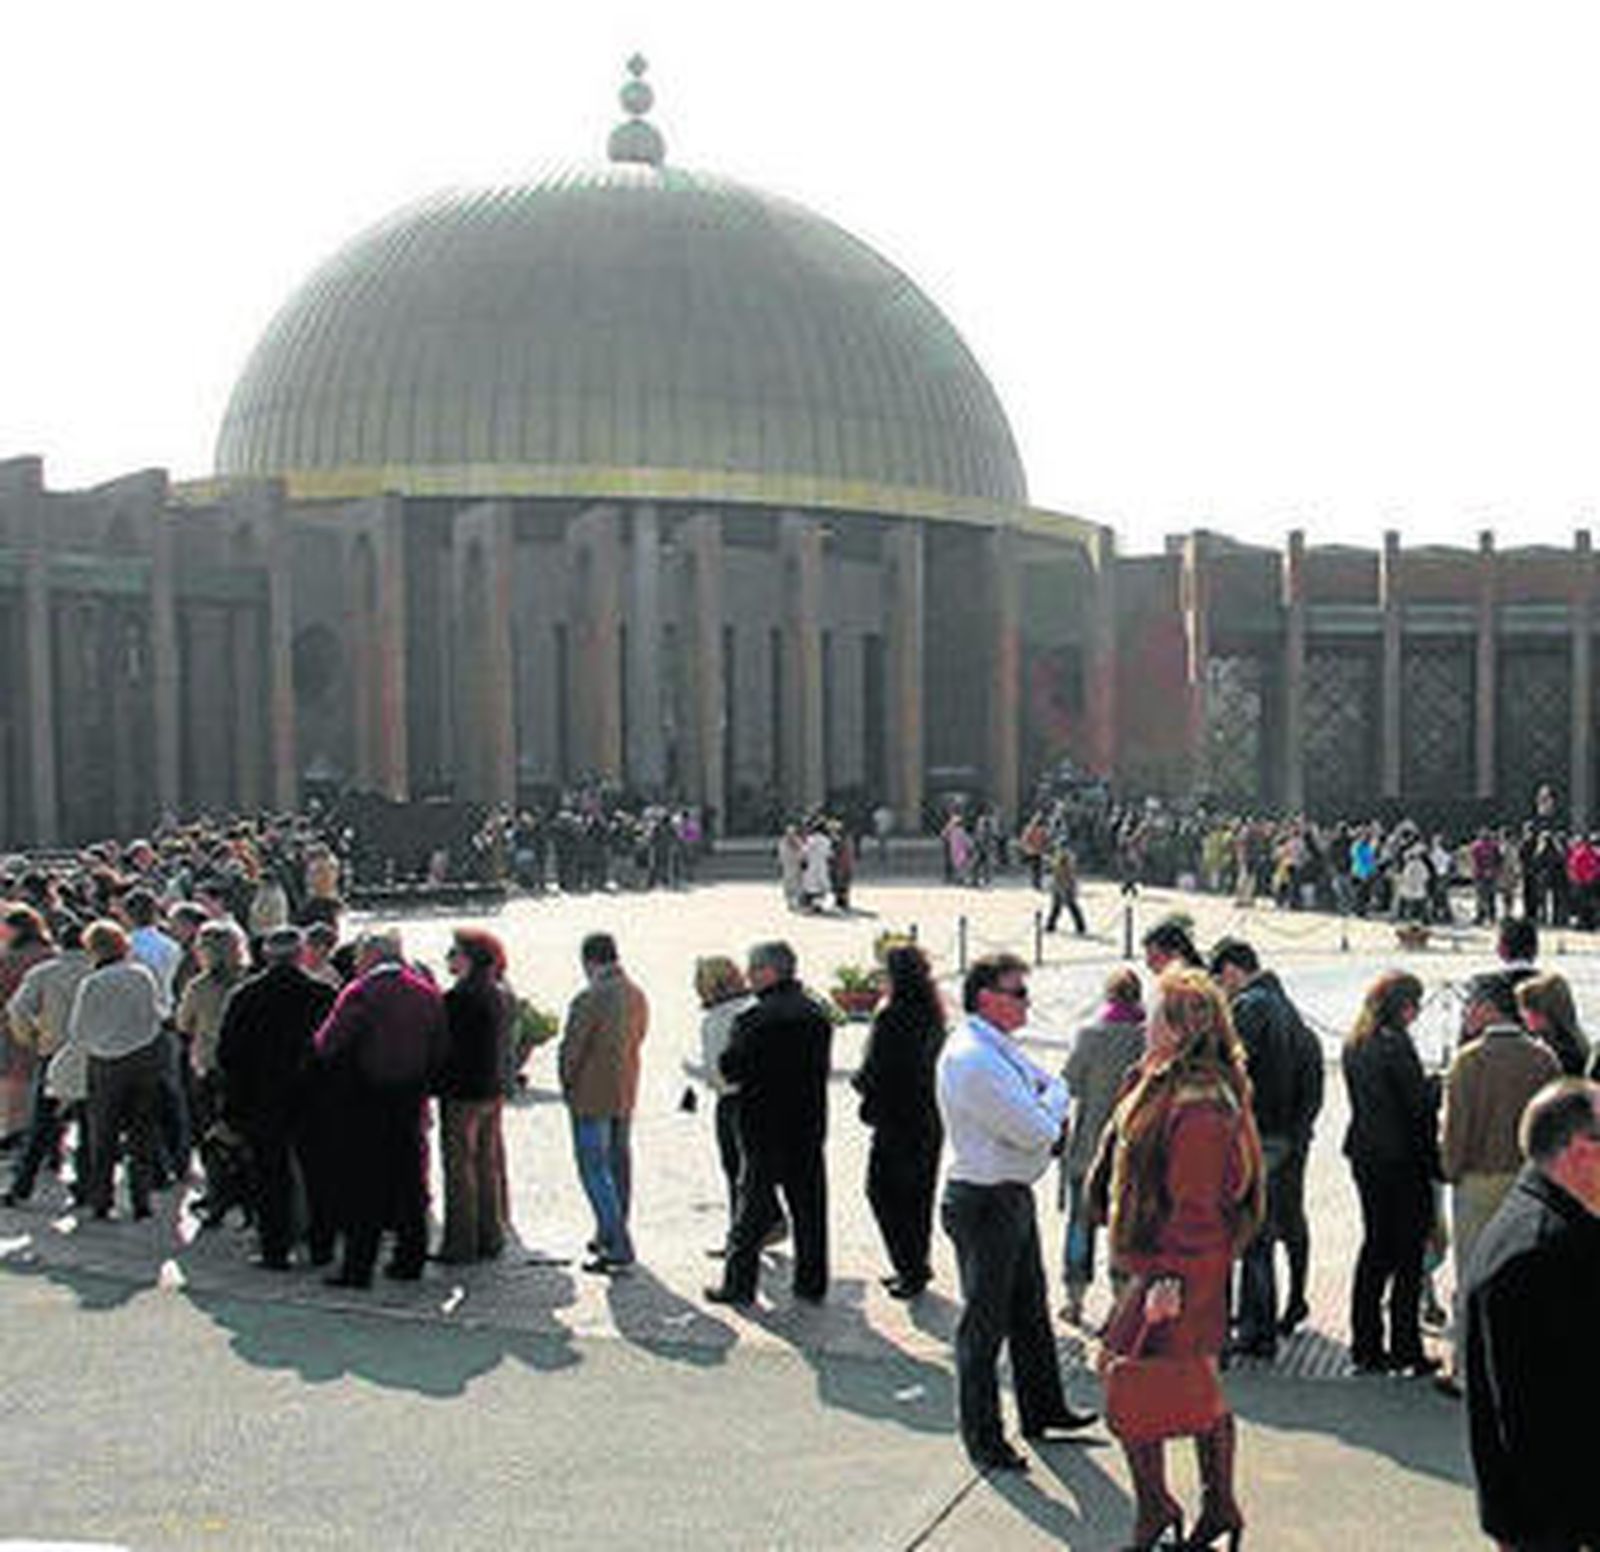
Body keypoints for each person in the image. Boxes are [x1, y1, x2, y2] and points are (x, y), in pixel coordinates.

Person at [1096, 965, 1265, 1550]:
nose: (1144, 1024)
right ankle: (1210, 1507)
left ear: (1180, 1028)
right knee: (1186, 1381)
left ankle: (1165, 1507)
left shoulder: (1201, 1105)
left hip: (1179, 1266)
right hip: (1172, 1262)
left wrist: (1168, 1280)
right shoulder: (1170, 1081)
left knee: (1133, 1375)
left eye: (1154, 1015)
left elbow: (1196, 1206)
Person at [936, 952, 1096, 1473]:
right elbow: (1039, 1128)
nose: (1027, 1002)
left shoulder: (995, 1046)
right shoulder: (974, 1058)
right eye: (1018, 993)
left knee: (1029, 1309)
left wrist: (1051, 1102)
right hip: (983, 1199)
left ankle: (1043, 1408)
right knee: (983, 1326)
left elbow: (1054, 1087)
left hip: (1007, 1194)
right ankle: (983, 1435)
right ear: (987, 998)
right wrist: (1053, 1109)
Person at [1462, 1078, 1600, 1551]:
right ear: (1582, 1152)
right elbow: (1534, 1424)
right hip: (1552, 1522)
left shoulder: (1545, 1221)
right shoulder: (1538, 1253)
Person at [1436, 975, 1561, 1398]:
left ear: (1489, 1008)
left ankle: (1466, 1371)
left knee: (1473, 1276)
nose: (1467, 1012)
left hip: (1477, 1180)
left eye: (1471, 1004)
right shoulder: (1543, 1059)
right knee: (1524, 1275)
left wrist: (1450, 1169)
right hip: (1526, 1180)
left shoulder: (1468, 1061)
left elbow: (1455, 1131)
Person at [314, 928, 447, 1289]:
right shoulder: (426, 993)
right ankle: (411, 1258)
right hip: (410, 1095)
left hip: (365, 1097)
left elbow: (328, 1043)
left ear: (370, 955)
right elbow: (440, 1047)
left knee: (363, 1184)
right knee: (409, 1179)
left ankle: (358, 1268)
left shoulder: (360, 993)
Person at [706, 939, 833, 1307]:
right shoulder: (815, 1013)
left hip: (763, 1125)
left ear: (768, 972)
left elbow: (731, 1068)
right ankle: (811, 1281)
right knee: (809, 1208)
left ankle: (739, 1284)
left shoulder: (755, 1018)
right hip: (807, 1122)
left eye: (753, 969)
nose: (748, 976)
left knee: (751, 1209)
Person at [217, 926, 337, 1269]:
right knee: (318, 1172)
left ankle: (275, 1248)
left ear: (265, 956)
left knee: (270, 1175)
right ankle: (322, 1246)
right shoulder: (323, 994)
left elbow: (228, 1054)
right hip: (312, 1094)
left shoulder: (245, 996)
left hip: (262, 1096)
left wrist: (233, 1101)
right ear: (300, 955)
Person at [1341, 970, 1440, 1376]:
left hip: (1366, 1153)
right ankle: (1405, 1347)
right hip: (1402, 1159)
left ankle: (1366, 1344)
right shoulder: (1396, 1044)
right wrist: (1436, 1086)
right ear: (1404, 1006)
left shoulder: (1356, 1042)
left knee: (1375, 1248)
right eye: (1415, 1004)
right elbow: (1416, 1105)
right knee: (1408, 1253)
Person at [1208, 937, 1300, 1359]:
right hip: (1281, 1131)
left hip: (1252, 1131)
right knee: (1260, 1233)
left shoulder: (1248, 1007)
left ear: (1231, 970)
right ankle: (1259, 1328)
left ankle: (1245, 1328)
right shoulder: (1283, 1005)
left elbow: (1232, 1070)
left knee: (1239, 1233)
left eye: (1220, 978)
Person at [852, 944, 946, 1299]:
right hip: (928, 1115)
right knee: (918, 1197)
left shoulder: (891, 1014)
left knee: (883, 1192)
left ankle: (909, 1267)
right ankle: (915, 1265)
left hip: (897, 1117)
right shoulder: (931, 1011)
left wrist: (860, 1083)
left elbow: (875, 1069)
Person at [1058, 965, 1145, 1325]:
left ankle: (1075, 1299)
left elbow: (1068, 1085)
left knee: (1080, 1225)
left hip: (1088, 1148)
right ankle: (1121, 1302)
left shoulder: (1089, 1035)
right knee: (1123, 1229)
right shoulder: (1147, 1038)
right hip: (1131, 1152)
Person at [558, 932, 648, 1274]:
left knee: (594, 1170)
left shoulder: (590, 997)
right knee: (619, 1166)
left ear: (589, 961)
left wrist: (567, 1083)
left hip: (590, 1094)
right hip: (624, 1089)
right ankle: (610, 1232)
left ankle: (618, 1242)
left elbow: (573, 1049)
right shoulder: (636, 993)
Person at [72, 919, 165, 1221]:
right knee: (142, 1132)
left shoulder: (93, 982)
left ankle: (102, 1199)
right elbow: (154, 1014)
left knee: (103, 1134)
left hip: (106, 1061)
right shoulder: (141, 975)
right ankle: (141, 1199)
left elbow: (78, 1028)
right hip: (143, 1058)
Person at [3, 918, 93, 1205]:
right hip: (95, 1053)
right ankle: (87, 1186)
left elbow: (18, 1009)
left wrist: (30, 1038)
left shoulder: (45, 973)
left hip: (54, 1051)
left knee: (41, 1123)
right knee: (90, 1125)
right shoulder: (100, 972)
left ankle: (22, 1186)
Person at [435, 928, 510, 1264]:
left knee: (459, 1168)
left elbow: (444, 1047)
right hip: (491, 1089)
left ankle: (460, 1242)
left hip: (462, 1091)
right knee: (486, 1164)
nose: (449, 958)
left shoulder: (458, 998)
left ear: (469, 958)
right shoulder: (496, 992)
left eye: (454, 952)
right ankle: (490, 1234)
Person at [687, 955, 766, 1253]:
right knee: (758, 1169)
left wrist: (690, 1068)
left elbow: (716, 1073)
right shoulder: (754, 1006)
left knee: (736, 1173)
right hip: (762, 1096)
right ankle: (763, 1224)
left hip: (732, 1101)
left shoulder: (716, 1020)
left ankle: (741, 1237)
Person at [1515, 971, 1591, 1077]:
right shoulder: (1577, 1041)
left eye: (1524, 1009)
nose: (1521, 1015)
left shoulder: (1551, 1052)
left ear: (1540, 1013)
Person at [1044, 842, 1086, 935]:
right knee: (1058, 906)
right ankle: (1050, 925)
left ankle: (1080, 926)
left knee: (1070, 905)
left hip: (1064, 884)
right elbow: (1056, 869)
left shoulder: (1064, 857)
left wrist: (1067, 884)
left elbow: (1065, 872)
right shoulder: (1061, 857)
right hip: (1059, 884)